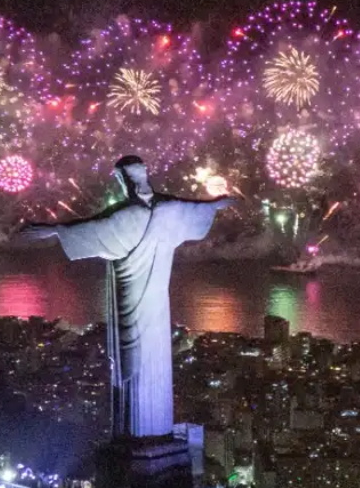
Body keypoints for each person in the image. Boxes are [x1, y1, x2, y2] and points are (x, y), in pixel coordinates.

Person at [23, 156, 233, 438]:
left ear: (122, 180)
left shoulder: (129, 216)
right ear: (145, 175)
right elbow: (193, 209)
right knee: (151, 361)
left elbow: (91, 228)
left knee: (131, 363)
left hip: (131, 303)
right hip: (157, 307)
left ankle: (135, 436)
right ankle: (153, 433)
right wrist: (215, 205)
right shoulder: (168, 210)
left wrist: (52, 230)